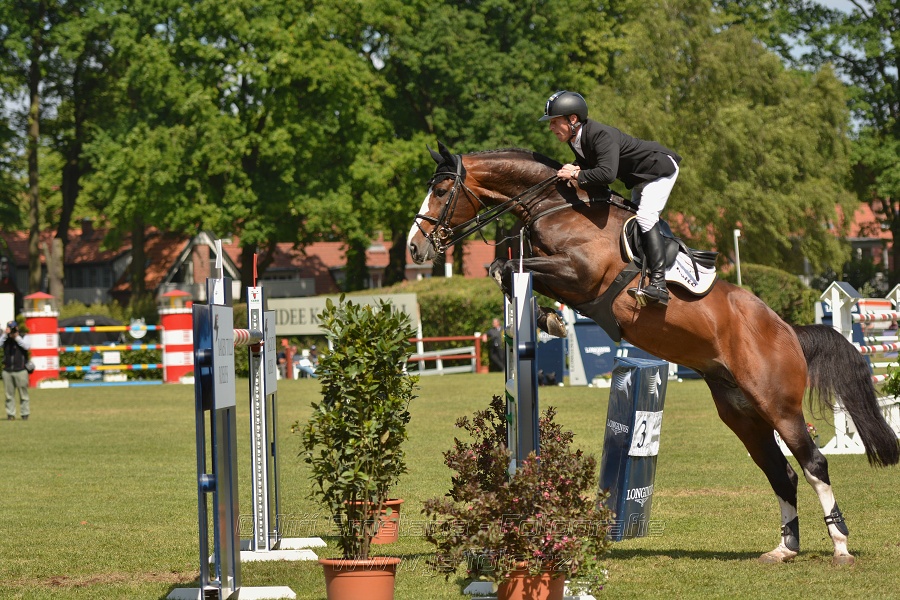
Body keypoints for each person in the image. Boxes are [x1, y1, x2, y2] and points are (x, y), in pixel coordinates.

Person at [540, 90, 682, 306]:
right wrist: (575, 168)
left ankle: (659, 287)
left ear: (573, 120)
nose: (550, 127)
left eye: (554, 121)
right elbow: (591, 166)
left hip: (659, 169)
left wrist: (576, 173)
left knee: (644, 218)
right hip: (638, 178)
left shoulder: (599, 135)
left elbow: (607, 174)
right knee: (632, 222)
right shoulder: (576, 139)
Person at [1, 320, 31, 420]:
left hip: (21, 370)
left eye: (13, 328)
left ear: (17, 328)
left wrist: (16, 337)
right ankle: (10, 414)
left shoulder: (23, 336)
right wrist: (5, 335)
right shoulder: (5, 339)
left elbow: (27, 346)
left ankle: (25, 414)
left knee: (23, 394)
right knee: (9, 395)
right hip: (7, 370)